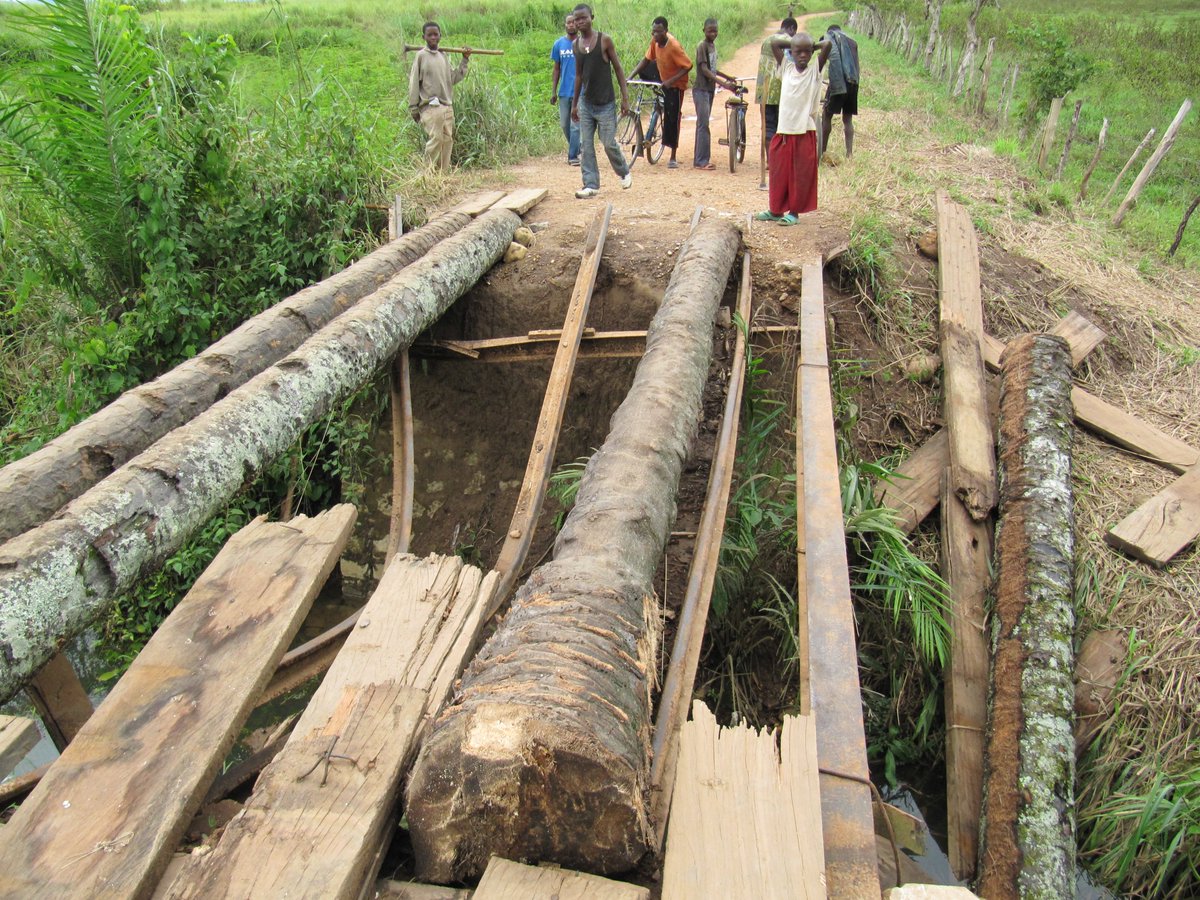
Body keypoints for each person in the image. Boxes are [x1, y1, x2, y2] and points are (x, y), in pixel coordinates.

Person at [756, 33, 831, 225]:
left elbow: (827, 45)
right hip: (784, 130)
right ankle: (776, 210)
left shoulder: (814, 71)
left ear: (812, 53)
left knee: (799, 175)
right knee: (778, 172)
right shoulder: (787, 68)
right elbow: (774, 43)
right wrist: (795, 43)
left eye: (807, 52)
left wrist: (811, 45)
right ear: (792, 52)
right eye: (798, 52)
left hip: (803, 131)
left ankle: (794, 212)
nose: (803, 55)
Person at [570, 4, 632, 198]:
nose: (580, 22)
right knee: (586, 145)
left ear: (592, 17)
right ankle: (591, 184)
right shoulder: (576, 45)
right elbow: (578, 76)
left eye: (583, 18)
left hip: (605, 103)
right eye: (577, 19)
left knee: (608, 143)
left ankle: (623, 170)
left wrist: (625, 97)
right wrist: (574, 104)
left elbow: (618, 68)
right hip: (586, 103)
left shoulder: (604, 40)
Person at [407, 22, 471, 172]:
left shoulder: (443, 55)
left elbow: (452, 79)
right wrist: (413, 108)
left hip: (446, 106)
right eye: (429, 35)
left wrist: (465, 59)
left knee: (447, 140)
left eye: (436, 34)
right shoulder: (421, 56)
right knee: (436, 139)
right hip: (430, 106)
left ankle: (442, 175)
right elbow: (414, 82)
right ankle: (426, 174)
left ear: (440, 36)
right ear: (424, 37)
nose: (433, 37)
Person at [630, 17, 692, 169]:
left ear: (666, 31)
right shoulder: (655, 42)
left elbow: (688, 65)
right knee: (644, 68)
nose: (655, 35)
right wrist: (630, 76)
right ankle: (658, 103)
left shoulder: (674, 46)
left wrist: (671, 82)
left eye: (658, 32)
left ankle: (673, 155)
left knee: (673, 117)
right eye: (653, 32)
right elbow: (646, 60)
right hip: (663, 75)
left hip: (676, 83)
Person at [692, 18, 738, 170]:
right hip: (701, 89)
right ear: (703, 30)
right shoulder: (702, 46)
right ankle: (701, 161)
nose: (713, 33)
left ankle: (699, 159)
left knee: (702, 124)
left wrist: (727, 77)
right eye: (710, 31)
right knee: (703, 125)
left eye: (715, 31)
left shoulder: (712, 46)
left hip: (709, 90)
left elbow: (713, 69)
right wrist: (724, 84)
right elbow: (704, 69)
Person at [755, 17, 798, 146]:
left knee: (768, 127)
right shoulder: (789, 41)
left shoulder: (766, 40)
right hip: (781, 90)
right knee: (782, 127)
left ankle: (770, 157)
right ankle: (779, 155)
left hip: (764, 90)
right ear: (791, 28)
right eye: (794, 32)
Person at [821, 24, 860, 158]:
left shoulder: (829, 37)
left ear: (829, 30)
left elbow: (825, 60)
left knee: (827, 115)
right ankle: (849, 153)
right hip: (853, 82)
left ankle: (822, 151)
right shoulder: (852, 40)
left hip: (838, 82)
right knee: (847, 119)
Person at [551, 14, 581, 166]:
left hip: (580, 92)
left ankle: (572, 156)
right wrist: (553, 91)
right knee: (564, 124)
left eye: (573, 22)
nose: (571, 25)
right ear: (565, 24)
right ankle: (577, 147)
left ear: (577, 25)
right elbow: (556, 69)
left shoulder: (583, 44)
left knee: (575, 125)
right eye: (568, 22)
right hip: (564, 91)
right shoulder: (558, 44)